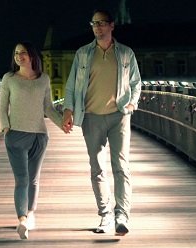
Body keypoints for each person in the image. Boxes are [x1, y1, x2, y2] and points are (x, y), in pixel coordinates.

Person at [62, 9, 141, 235]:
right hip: (91, 117)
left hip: (119, 117)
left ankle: (122, 216)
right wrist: (68, 110)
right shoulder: (83, 54)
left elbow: (136, 82)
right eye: (94, 23)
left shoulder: (126, 53)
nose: (97, 27)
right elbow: (70, 86)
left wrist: (132, 104)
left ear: (112, 26)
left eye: (102, 23)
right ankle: (105, 216)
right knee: (97, 168)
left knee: (121, 167)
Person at [0, 41, 64, 239]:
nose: (19, 56)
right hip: (16, 135)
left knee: (33, 179)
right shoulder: (9, 79)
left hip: (39, 135)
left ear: (32, 56)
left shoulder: (43, 79)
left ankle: (30, 214)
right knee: (22, 179)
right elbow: (2, 106)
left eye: (23, 53)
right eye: (16, 53)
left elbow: (48, 107)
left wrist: (63, 124)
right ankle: (22, 220)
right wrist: (6, 126)